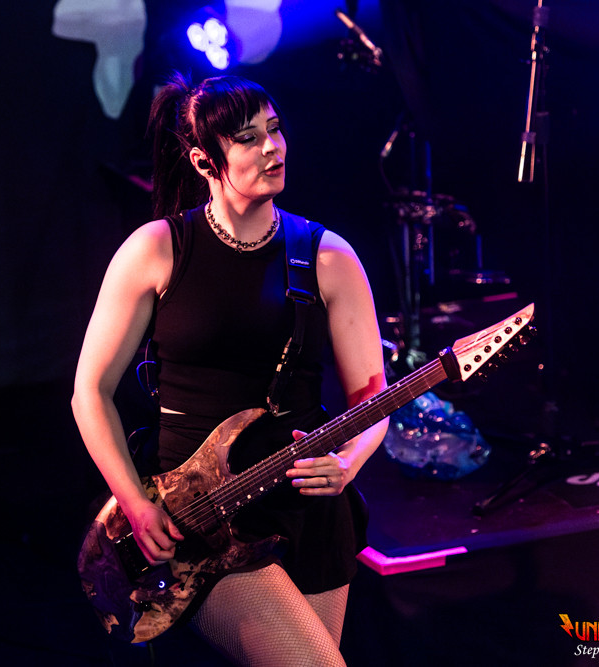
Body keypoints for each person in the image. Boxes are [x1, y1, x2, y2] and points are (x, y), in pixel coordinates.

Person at [71, 73, 388, 666]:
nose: (272, 147)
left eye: (275, 129)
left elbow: (373, 400)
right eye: (247, 137)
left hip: (310, 513)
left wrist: (348, 463)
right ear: (202, 161)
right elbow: (89, 392)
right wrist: (135, 503)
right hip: (201, 517)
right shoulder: (157, 249)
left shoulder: (329, 257)